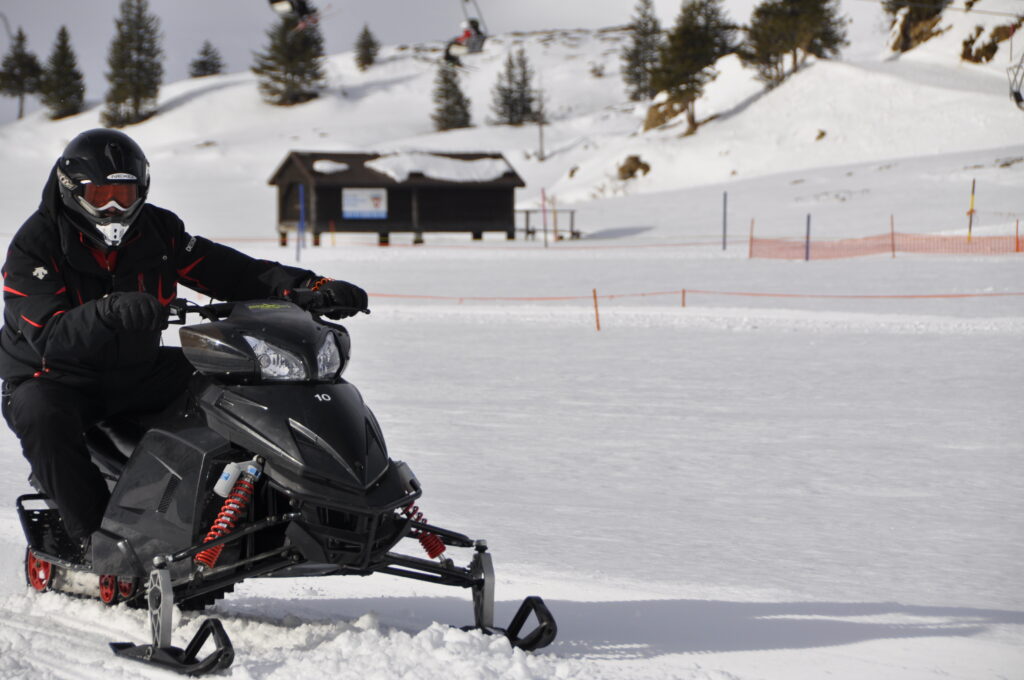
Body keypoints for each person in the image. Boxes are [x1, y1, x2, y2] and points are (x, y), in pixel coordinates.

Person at [0, 128, 366, 558]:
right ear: (71, 190)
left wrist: (308, 286)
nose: (116, 206)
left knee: (234, 378)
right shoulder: (34, 246)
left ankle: (264, 502)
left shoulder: (158, 230)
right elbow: (48, 334)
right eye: (100, 195)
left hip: (136, 370)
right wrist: (109, 310)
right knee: (42, 415)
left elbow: (231, 270)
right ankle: (94, 543)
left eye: (126, 192)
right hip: (56, 378)